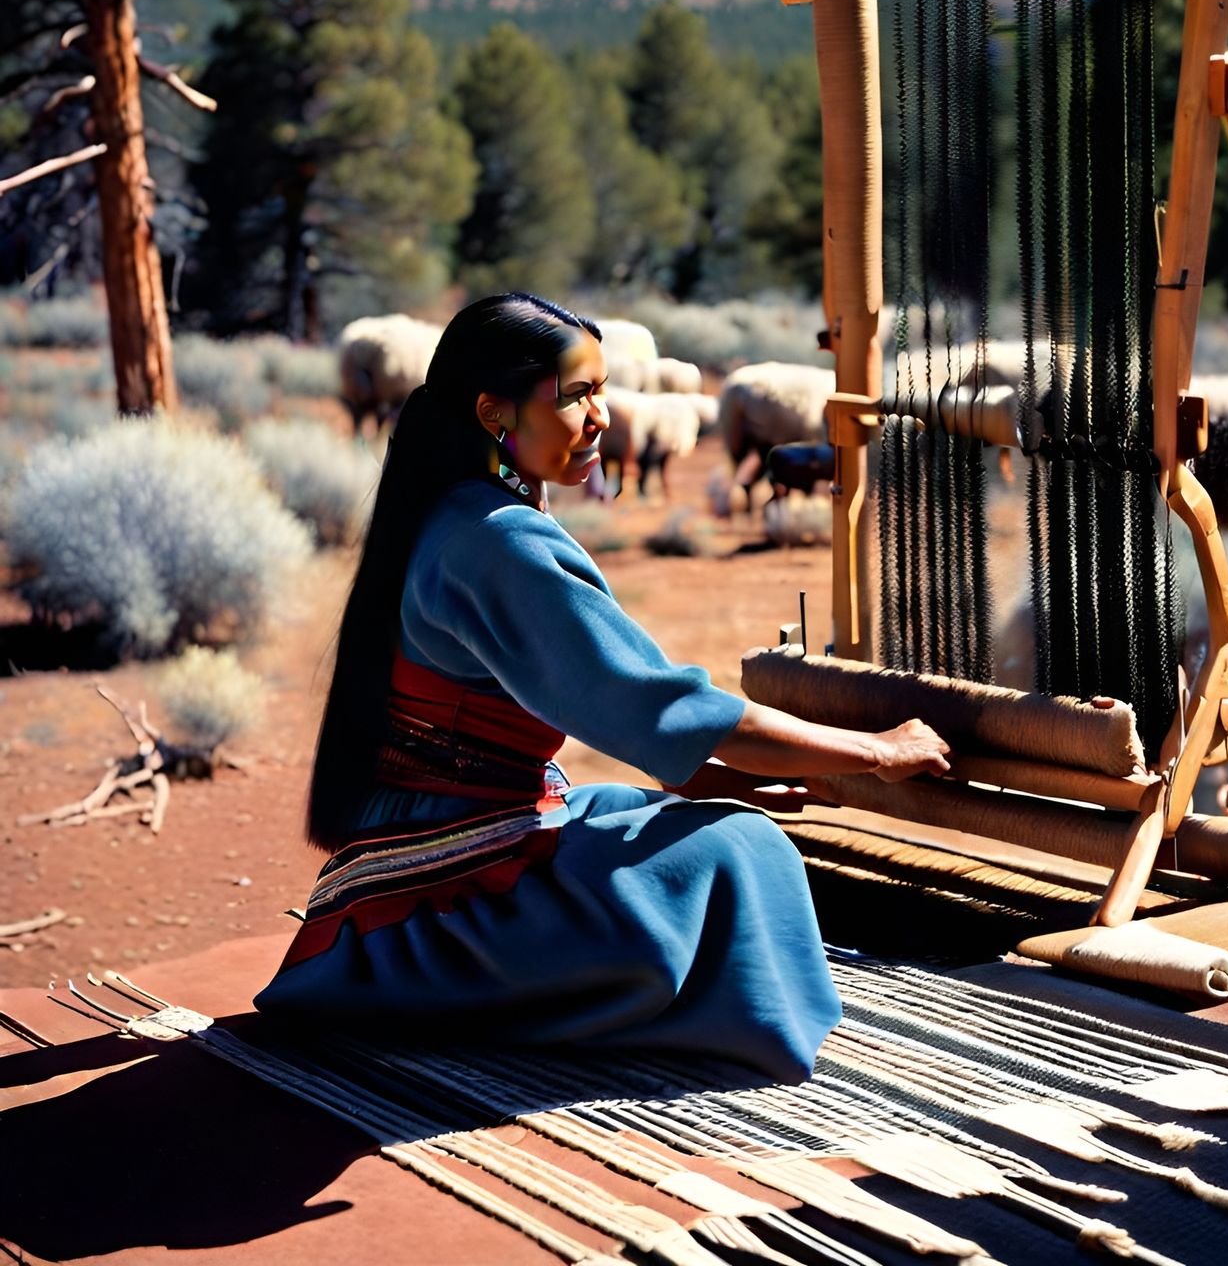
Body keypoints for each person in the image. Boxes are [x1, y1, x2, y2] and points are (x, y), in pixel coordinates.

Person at [255, 293, 949, 1083]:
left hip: (441, 845)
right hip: (439, 908)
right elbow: (663, 706)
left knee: (641, 810)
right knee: (736, 851)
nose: (603, 417)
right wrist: (877, 749)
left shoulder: (453, 510)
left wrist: (707, 770)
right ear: (494, 413)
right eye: (577, 395)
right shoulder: (498, 543)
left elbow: (627, 716)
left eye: (602, 390)